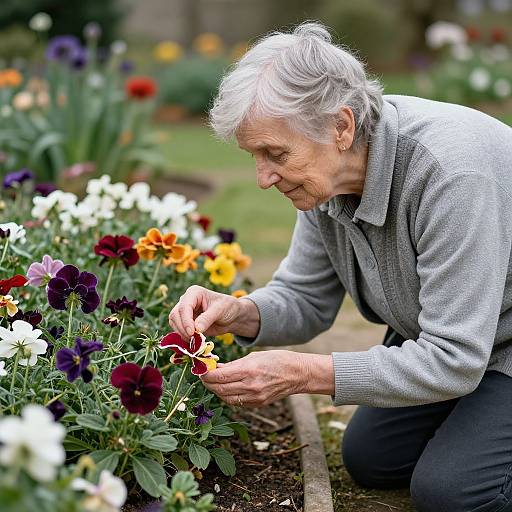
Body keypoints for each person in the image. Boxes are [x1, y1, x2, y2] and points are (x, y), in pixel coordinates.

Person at [168, 22, 512, 512]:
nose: (263, 178)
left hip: (488, 342)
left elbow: (454, 357)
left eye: (275, 154)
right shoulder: (325, 182)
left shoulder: (451, 175)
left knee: (454, 493)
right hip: (462, 337)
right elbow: (305, 299)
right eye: (254, 156)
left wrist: (303, 372)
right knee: (374, 460)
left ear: (341, 126)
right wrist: (237, 312)